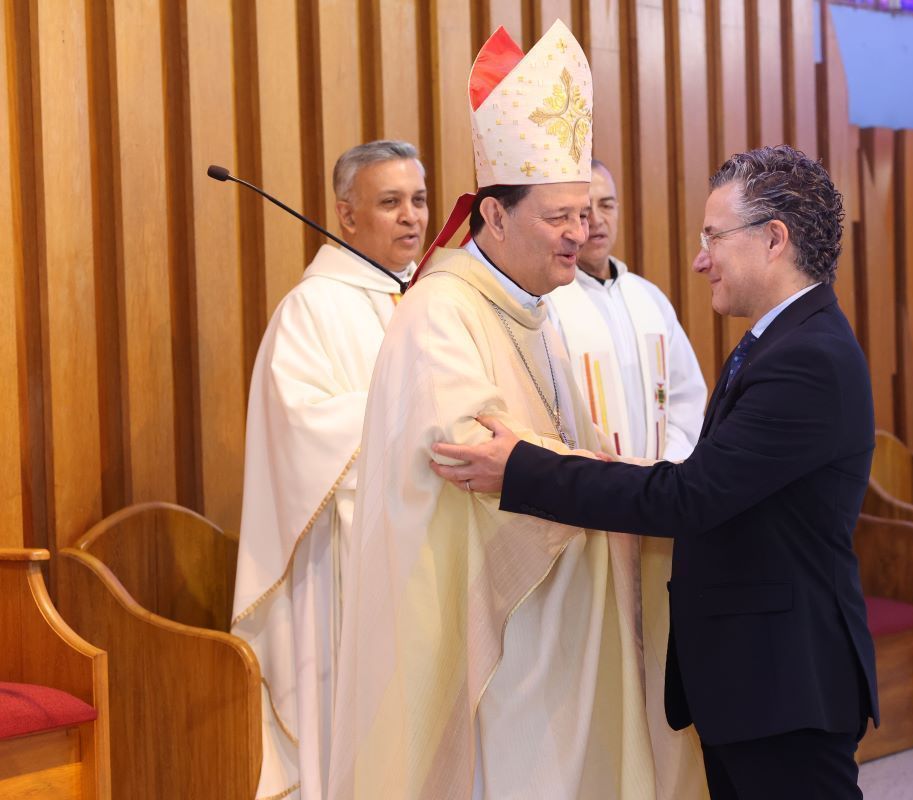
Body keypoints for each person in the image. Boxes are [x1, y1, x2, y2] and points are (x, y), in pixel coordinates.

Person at [327, 21, 705, 800]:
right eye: (558, 216)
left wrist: (613, 474)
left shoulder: (538, 310)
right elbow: (468, 455)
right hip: (508, 634)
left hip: (571, 616)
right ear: (493, 218)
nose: (580, 233)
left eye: (584, 213)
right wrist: (603, 477)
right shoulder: (441, 312)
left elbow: (550, 446)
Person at [433, 144, 881, 799]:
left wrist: (523, 470)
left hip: (784, 680)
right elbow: (721, 482)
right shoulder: (784, 340)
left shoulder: (806, 358)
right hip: (756, 679)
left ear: (774, 239)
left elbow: (691, 499)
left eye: (714, 237)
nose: (701, 258)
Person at [230, 140, 428, 800]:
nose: (411, 217)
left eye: (420, 200)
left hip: (426, 548)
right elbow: (303, 430)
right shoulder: (312, 309)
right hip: (347, 557)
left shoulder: (432, 302)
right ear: (346, 216)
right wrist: (418, 417)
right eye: (390, 202)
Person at [546, 160, 706, 461]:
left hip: (658, 488)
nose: (595, 220)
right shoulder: (550, 303)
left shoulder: (649, 298)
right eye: (583, 211)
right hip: (589, 487)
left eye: (606, 205)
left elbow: (685, 398)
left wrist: (665, 470)